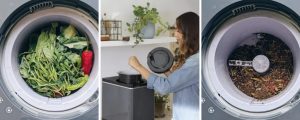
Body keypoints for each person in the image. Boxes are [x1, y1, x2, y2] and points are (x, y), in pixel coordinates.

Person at [129, 12, 199, 120]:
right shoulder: (194, 59)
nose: (175, 34)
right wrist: (166, 70)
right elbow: (180, 83)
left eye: (178, 30)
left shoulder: (195, 63)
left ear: (189, 33)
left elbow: (165, 87)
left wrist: (138, 66)